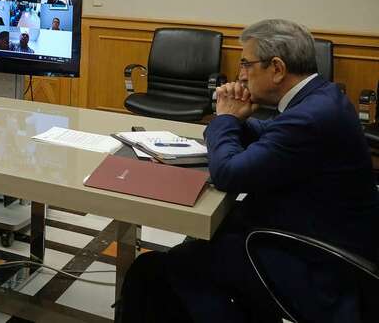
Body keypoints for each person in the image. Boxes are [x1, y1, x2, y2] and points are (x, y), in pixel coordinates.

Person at [117, 19, 379, 323]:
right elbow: (271, 133)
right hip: (317, 236)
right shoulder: (323, 97)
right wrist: (236, 119)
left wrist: (224, 120)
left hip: (316, 266)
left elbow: (229, 174)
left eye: (247, 63)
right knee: (197, 246)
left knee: (152, 271)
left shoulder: (310, 117)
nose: (241, 74)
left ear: (277, 68)